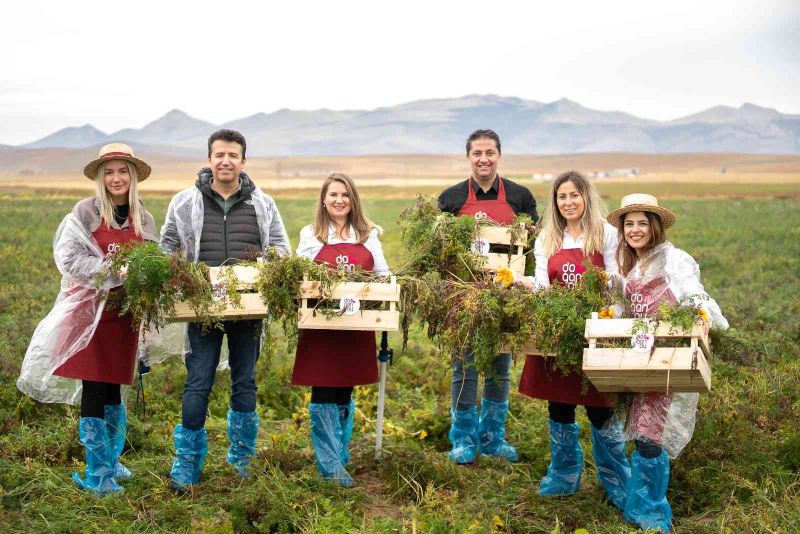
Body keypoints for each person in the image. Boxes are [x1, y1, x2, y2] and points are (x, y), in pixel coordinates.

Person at [17, 143, 158, 495]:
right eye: (108, 172)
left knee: (115, 386)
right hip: (90, 317)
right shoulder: (84, 212)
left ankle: (110, 459)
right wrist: (113, 270)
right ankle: (97, 473)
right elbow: (69, 259)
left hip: (125, 316)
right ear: (99, 177)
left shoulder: (143, 216)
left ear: (133, 176)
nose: (116, 178)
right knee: (95, 386)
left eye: (122, 171)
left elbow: (153, 261)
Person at [160, 129, 290, 492]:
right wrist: (173, 271)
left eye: (233, 155)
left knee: (245, 380)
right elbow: (168, 245)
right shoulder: (185, 202)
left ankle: (243, 459)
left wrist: (268, 268)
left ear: (243, 161)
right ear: (209, 159)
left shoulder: (262, 203)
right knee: (198, 380)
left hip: (249, 309)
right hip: (202, 309)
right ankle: (187, 463)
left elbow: (280, 246)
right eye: (219, 154)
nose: (226, 161)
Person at [607, 194, 728, 532]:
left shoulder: (674, 259)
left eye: (642, 223)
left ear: (655, 226)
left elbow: (693, 293)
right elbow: (624, 308)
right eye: (628, 224)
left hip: (668, 358)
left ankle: (653, 513)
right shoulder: (630, 265)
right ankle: (639, 505)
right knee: (640, 430)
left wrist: (706, 317)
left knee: (652, 434)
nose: (634, 230)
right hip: (640, 358)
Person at [516, 171, 630, 509]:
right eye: (562, 197)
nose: (568, 202)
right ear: (555, 202)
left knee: (601, 408)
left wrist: (607, 320)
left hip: (596, 331)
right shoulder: (548, 237)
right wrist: (523, 285)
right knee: (560, 404)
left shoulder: (606, 234)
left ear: (586, 197)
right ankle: (563, 476)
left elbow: (617, 282)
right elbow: (543, 285)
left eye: (574, 195)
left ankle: (616, 481)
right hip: (558, 333)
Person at [437, 129, 539, 464]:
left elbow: (534, 250)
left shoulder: (520, 198)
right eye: (477, 153)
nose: (484, 159)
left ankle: (494, 439)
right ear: (468, 157)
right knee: (462, 367)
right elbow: (439, 252)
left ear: (499, 155)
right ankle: (463, 439)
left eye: (490, 153)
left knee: (500, 364)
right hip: (462, 300)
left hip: (506, 298)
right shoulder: (450, 199)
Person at [292, 173, 391, 486]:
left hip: (356, 326)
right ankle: (329, 465)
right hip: (321, 329)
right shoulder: (311, 234)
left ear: (353, 200)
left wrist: (388, 288)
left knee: (346, 387)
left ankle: (340, 452)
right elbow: (300, 278)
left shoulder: (367, 234)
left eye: (345, 195)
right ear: (324, 199)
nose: (339, 200)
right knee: (323, 388)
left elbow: (383, 274)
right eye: (333, 195)